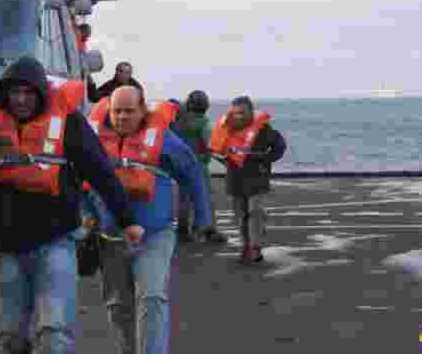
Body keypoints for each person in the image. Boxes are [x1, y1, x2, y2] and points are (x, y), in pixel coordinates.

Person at [0, 55, 142, 354]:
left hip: (56, 241)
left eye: (28, 92)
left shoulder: (68, 122)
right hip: (4, 246)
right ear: (4, 94)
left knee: (55, 333)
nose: (21, 99)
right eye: (15, 92)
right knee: (9, 337)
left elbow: (100, 171)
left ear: (41, 93)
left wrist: (127, 220)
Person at [83, 85, 214, 354]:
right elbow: (73, 179)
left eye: (129, 111)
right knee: (118, 306)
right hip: (110, 237)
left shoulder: (163, 138)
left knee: (152, 297)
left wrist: (203, 218)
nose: (122, 117)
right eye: (117, 111)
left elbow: (192, 172)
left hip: (154, 234)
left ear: (143, 110)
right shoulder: (91, 137)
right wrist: (84, 216)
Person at [207, 95, 286, 263]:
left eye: (242, 113)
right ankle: (246, 245)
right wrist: (226, 161)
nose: (238, 116)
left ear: (250, 112)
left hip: (258, 175)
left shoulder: (264, 129)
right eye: (235, 113)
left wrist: (266, 160)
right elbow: (215, 150)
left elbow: (280, 145)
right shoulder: (225, 128)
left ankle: (255, 247)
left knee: (255, 212)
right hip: (235, 177)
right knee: (240, 214)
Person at [172, 91, 227, 244]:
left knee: (183, 199)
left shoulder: (178, 120)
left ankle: (182, 231)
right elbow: (211, 145)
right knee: (205, 198)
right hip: (198, 165)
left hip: (179, 165)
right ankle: (209, 231)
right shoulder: (202, 122)